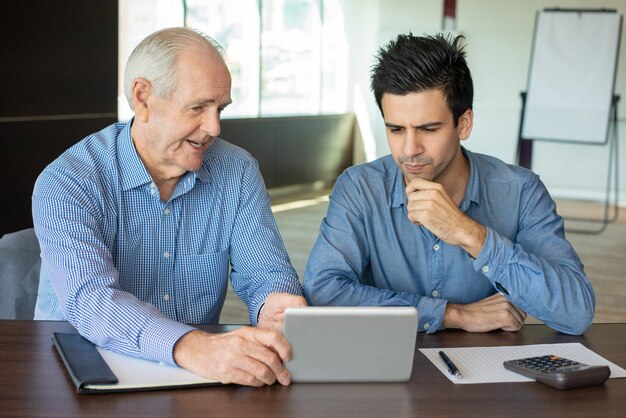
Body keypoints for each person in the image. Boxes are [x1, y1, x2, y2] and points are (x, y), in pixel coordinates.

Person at [32, 27, 307, 387]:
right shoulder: (68, 180)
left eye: (220, 108)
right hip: (82, 369)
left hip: (197, 372)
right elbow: (91, 301)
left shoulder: (237, 170)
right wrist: (190, 347)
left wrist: (275, 305)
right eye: (198, 108)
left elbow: (265, 272)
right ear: (143, 97)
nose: (214, 127)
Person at [303, 33, 595, 336]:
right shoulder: (360, 188)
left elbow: (575, 313)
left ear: (464, 124)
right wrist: (453, 315)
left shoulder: (520, 191)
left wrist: (470, 234)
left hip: (488, 369)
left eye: (428, 129)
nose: (409, 149)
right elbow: (323, 292)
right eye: (396, 129)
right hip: (386, 364)